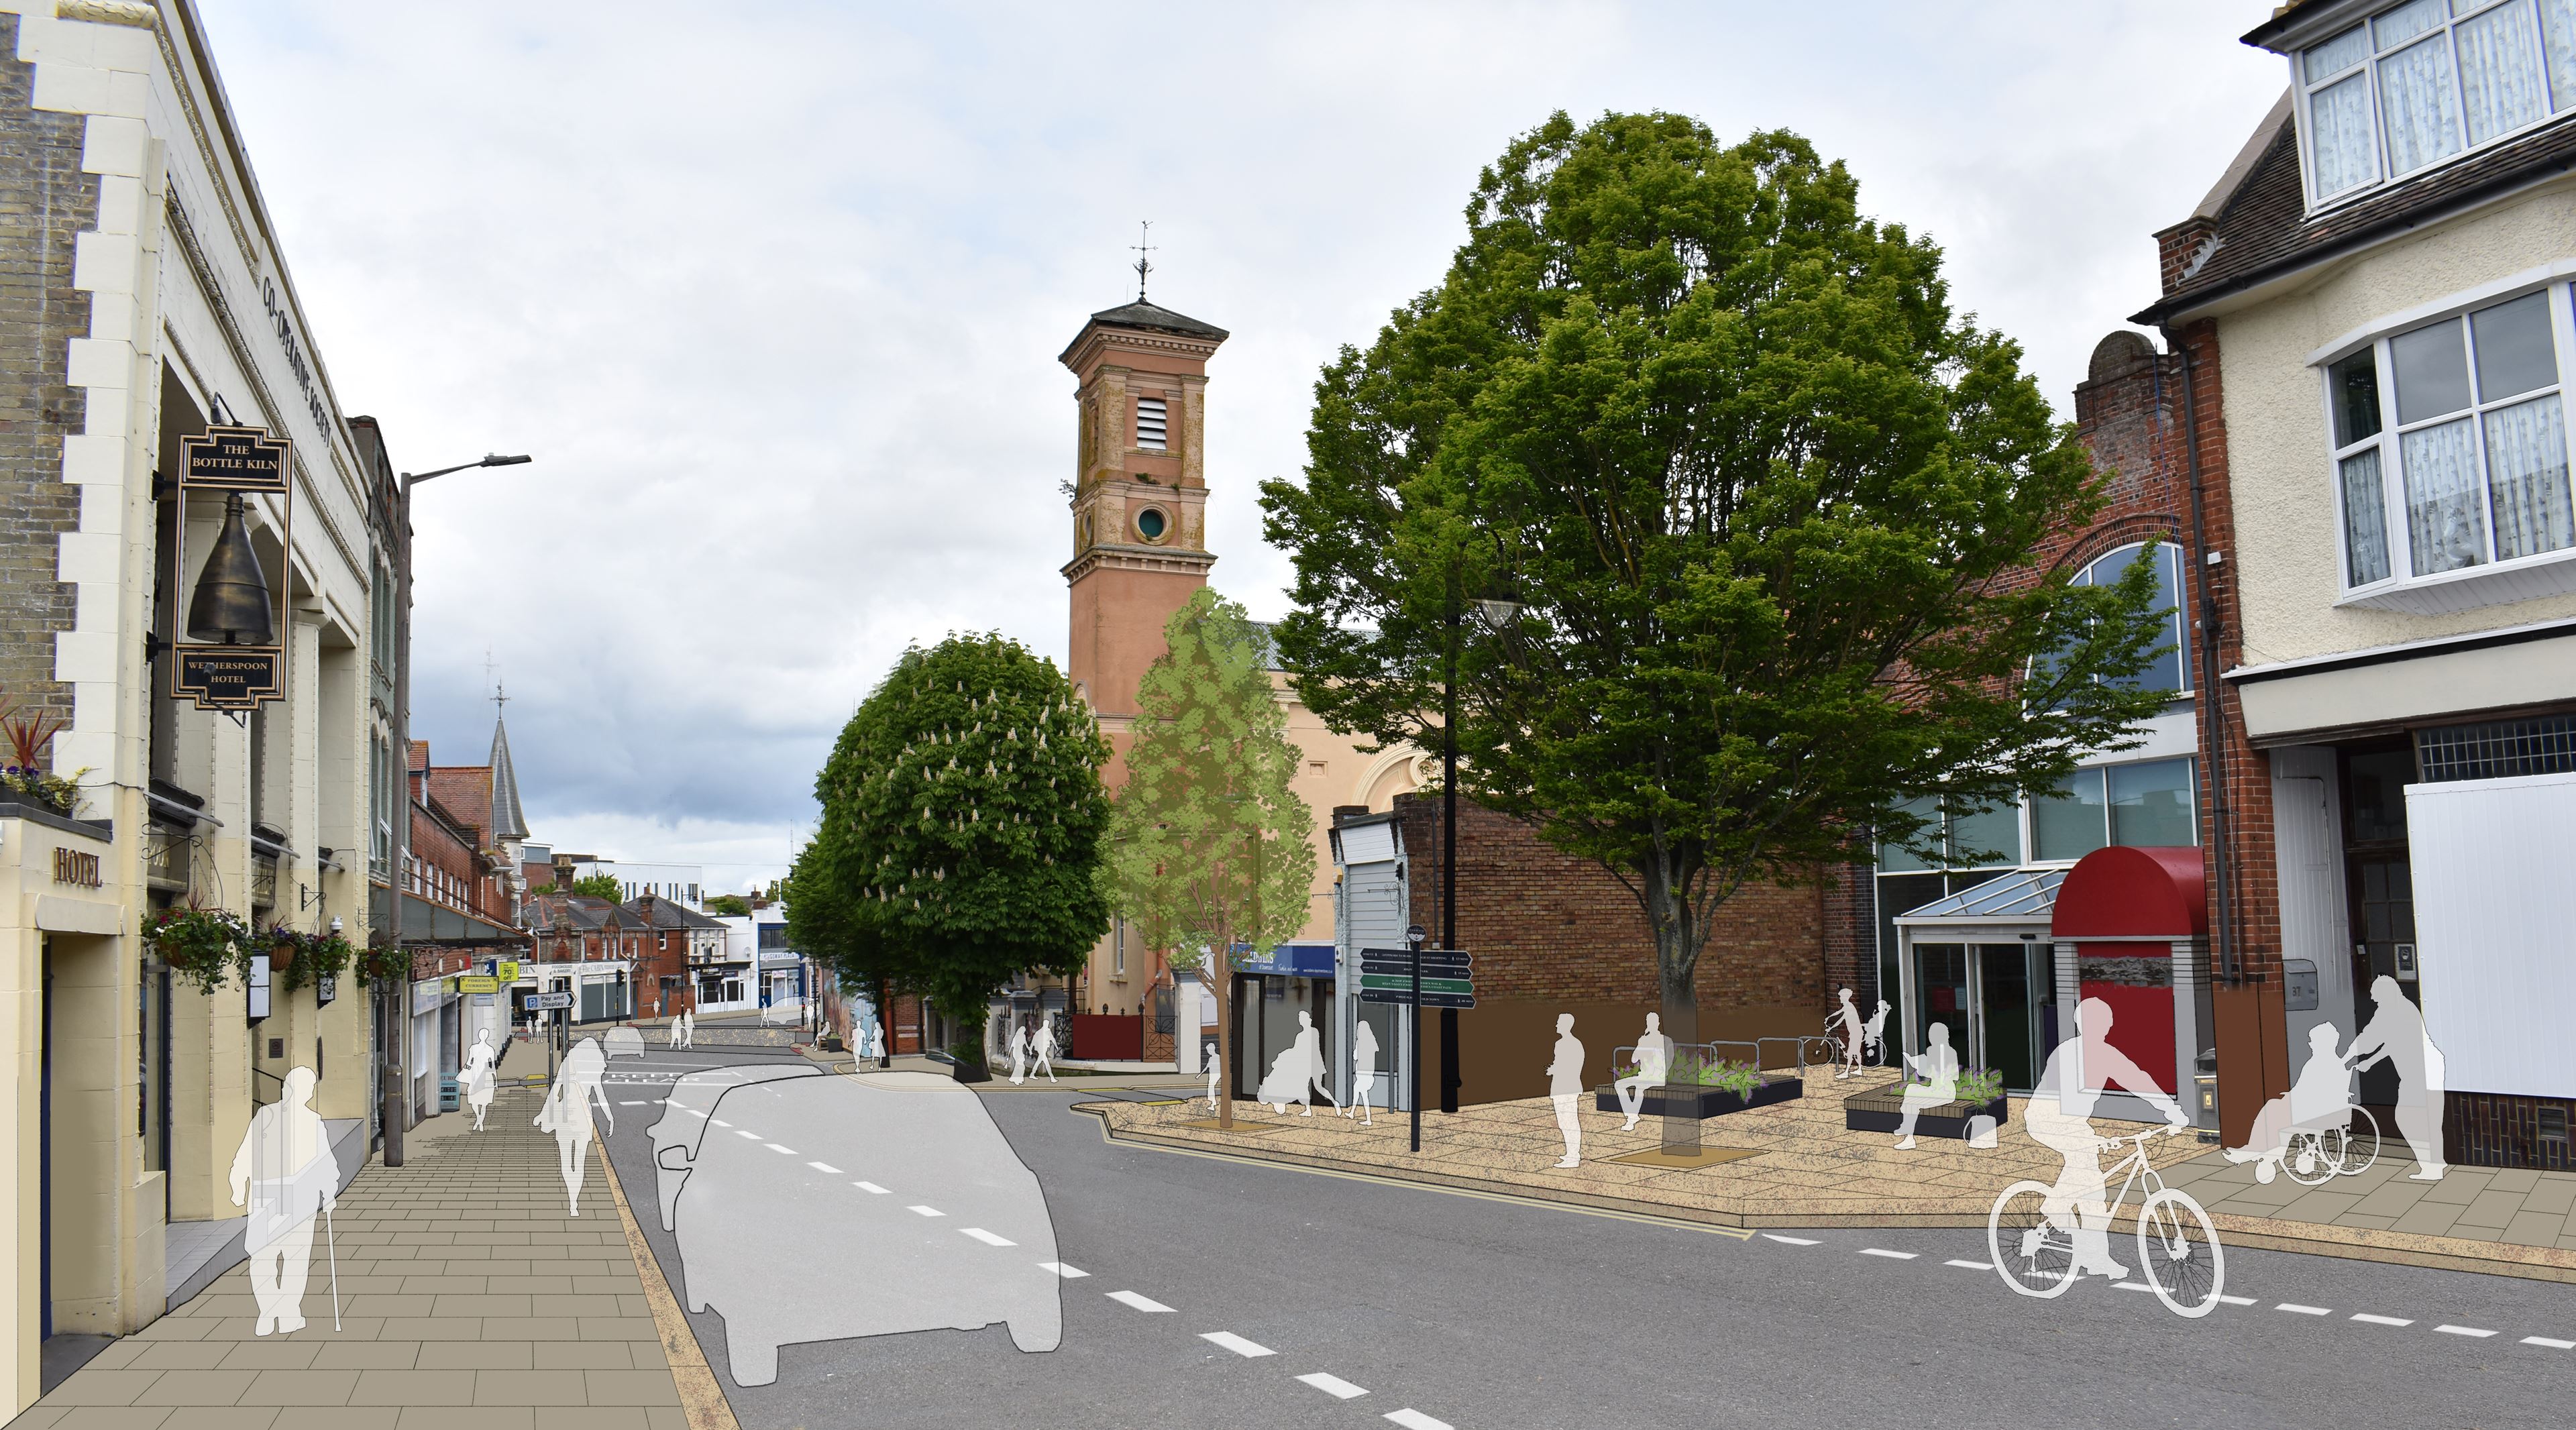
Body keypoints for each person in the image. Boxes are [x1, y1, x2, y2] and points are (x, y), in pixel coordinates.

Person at [2024, 997, 2192, 1280]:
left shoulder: (2107, 1055)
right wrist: (2092, 1138)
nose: (2098, 1028)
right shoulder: (2066, 1054)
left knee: (2094, 1195)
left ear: (2109, 1025)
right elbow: (2061, 1099)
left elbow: (2140, 1080)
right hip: (2045, 1118)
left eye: (2102, 1022)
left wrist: (2173, 1112)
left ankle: (2096, 1259)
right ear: (2081, 1025)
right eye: (2093, 1022)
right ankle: (2055, 1206)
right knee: (2083, 1163)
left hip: (2074, 1123)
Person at [229, 1066, 336, 1335]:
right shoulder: (313, 1122)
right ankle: (288, 1315)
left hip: (266, 1195)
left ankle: (268, 1314)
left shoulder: (264, 1116)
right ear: (308, 1092)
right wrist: (329, 1192)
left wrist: (238, 1186)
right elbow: (325, 1163)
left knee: (263, 1257)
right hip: (299, 1197)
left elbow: (245, 1155)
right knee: (295, 1260)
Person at [2225, 1022, 2357, 1183]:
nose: (2310, 1045)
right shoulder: (2330, 1063)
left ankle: (2258, 1149)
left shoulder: (2318, 1063)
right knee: (2274, 1108)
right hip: (2320, 1109)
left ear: (2323, 1042)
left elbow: (2303, 1091)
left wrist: (2289, 1097)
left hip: (2314, 1112)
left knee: (2272, 1109)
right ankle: (2259, 1149)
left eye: (2313, 1041)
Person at [2347, 975, 2448, 1180]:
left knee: (2408, 1117)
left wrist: (2347, 1055)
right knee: (2429, 1118)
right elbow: (2391, 1042)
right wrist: (2370, 1062)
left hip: (2421, 1070)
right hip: (2431, 1066)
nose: (2374, 1000)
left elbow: (2371, 1037)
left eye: (2376, 996)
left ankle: (2432, 1167)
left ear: (2386, 994)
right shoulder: (2403, 1007)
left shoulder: (2392, 1011)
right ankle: (2436, 1163)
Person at [537, 1036, 615, 1216]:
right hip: (584, 1117)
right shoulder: (593, 1067)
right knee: (580, 1163)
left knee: (566, 1161)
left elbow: (554, 1093)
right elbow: (601, 1096)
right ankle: (574, 1203)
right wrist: (610, 1118)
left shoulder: (568, 1063)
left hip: (565, 1116)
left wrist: (542, 1115)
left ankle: (570, 1196)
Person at [1891, 1022, 1961, 1148]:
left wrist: (1926, 1068)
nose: (1930, 1037)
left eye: (1932, 1034)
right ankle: (1907, 1127)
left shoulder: (1950, 1052)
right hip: (1934, 1089)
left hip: (1945, 1092)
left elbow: (1953, 1075)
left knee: (1913, 1101)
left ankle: (1909, 1137)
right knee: (1912, 1088)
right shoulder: (1932, 1050)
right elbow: (1929, 1073)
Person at [1258, 1010, 1334, 1115]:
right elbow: (1296, 1049)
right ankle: (1303, 1108)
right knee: (1300, 1084)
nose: (1301, 1021)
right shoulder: (1300, 1035)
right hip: (1303, 1062)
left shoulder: (1314, 1032)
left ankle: (1334, 1103)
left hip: (1310, 1063)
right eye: (1300, 1019)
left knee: (1317, 1087)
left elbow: (1312, 1049)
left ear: (1309, 1020)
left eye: (1303, 1019)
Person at [1615, 1012, 1674, 1131]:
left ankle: (1630, 1121)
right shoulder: (1643, 1040)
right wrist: (1641, 1044)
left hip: (1658, 1077)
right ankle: (1631, 1115)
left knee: (1640, 1088)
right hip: (1643, 1076)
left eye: (1653, 1022)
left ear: (1658, 1024)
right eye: (1649, 1022)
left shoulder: (1665, 1040)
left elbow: (1670, 1059)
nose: (1651, 1025)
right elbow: (1634, 1059)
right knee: (1619, 1084)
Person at [1546, 1013, 1585, 1168]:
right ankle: (1571, 1153)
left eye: (1558, 1023)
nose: (1556, 1025)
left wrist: (1553, 1069)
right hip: (1564, 1086)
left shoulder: (1567, 1044)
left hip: (1566, 1087)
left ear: (1566, 1025)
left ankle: (1574, 1157)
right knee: (1564, 1123)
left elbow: (1568, 1065)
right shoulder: (1566, 1043)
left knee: (1569, 1122)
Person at [462, 1027, 500, 1132]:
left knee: (483, 1103)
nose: (483, 1036)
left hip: (484, 1077)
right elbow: (469, 1062)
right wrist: (465, 1073)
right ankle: (479, 1120)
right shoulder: (473, 1048)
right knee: (474, 1102)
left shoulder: (489, 1049)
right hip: (476, 1076)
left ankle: (480, 1123)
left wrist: (495, 1081)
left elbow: (491, 1066)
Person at [1343, 1020, 1381, 1126]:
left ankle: (1368, 1119)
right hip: (1369, 1074)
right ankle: (1352, 1112)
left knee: (1363, 1096)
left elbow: (1355, 1057)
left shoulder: (1360, 1042)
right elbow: (1376, 1050)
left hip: (1362, 1074)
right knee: (1358, 1091)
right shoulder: (1372, 1041)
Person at [1833, 989, 1867, 1079]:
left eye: (1840, 996)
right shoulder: (1848, 1006)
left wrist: (1829, 1019)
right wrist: (1831, 1026)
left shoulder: (1848, 1006)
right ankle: (1859, 1069)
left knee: (1851, 1053)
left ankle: (1846, 1072)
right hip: (1855, 1033)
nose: (1840, 998)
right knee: (1856, 1052)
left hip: (1856, 1033)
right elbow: (1841, 1019)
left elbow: (1839, 1013)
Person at [1030, 1018, 1058, 1083]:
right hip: (1041, 1050)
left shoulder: (1048, 1031)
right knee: (1047, 1063)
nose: (1048, 1025)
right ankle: (1052, 1078)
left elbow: (1052, 1039)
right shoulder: (1040, 1032)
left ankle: (1032, 1074)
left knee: (1038, 1062)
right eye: (1047, 1024)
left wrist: (1056, 1046)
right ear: (1044, 1024)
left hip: (1044, 1049)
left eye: (1048, 1024)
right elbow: (1034, 1040)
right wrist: (1031, 1048)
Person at [1008, 1021, 1030, 1085]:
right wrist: (1009, 1055)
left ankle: (1018, 1079)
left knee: (1021, 1066)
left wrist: (1030, 1050)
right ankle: (1017, 1080)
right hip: (1016, 1052)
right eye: (1023, 1031)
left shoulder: (1023, 1036)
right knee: (1019, 1066)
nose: (1024, 1032)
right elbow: (1012, 1046)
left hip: (1021, 1052)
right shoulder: (1016, 1037)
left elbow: (1026, 1044)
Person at [1203, 1040, 1221, 1112]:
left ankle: (1213, 1103)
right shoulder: (1214, 1057)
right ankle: (1213, 1103)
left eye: (1208, 1050)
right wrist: (1200, 1074)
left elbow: (1207, 1067)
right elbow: (1207, 1067)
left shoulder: (1215, 1057)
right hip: (1214, 1074)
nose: (1208, 1052)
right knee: (1211, 1087)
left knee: (1211, 1087)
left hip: (1215, 1074)